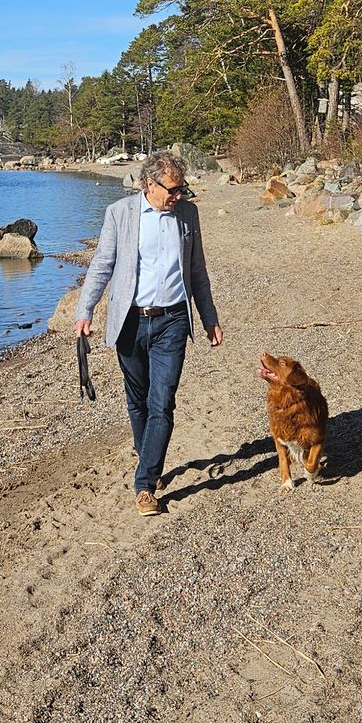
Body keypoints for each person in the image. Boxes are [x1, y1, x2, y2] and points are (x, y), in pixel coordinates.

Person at [77, 150, 224, 516]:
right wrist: (85, 310)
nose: (179, 196)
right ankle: (150, 459)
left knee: (163, 402)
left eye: (182, 189)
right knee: (137, 401)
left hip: (173, 320)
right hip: (129, 321)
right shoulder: (120, 214)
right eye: (173, 190)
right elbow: (102, 265)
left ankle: (145, 485)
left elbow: (198, 270)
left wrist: (209, 318)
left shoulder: (188, 215)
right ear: (149, 184)